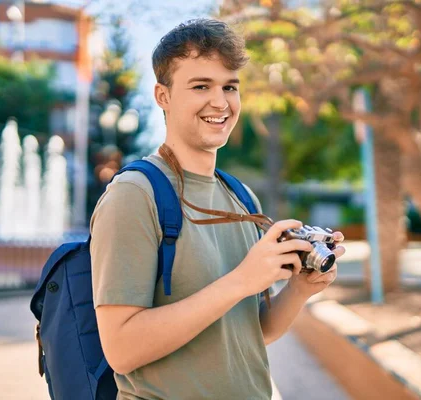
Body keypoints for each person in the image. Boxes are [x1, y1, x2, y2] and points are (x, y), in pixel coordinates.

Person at [90, 18, 345, 400]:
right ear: (163, 96)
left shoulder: (241, 199)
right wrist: (242, 280)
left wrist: (299, 289)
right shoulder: (134, 194)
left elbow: (252, 331)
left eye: (230, 87)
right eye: (201, 86)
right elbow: (121, 350)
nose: (220, 102)